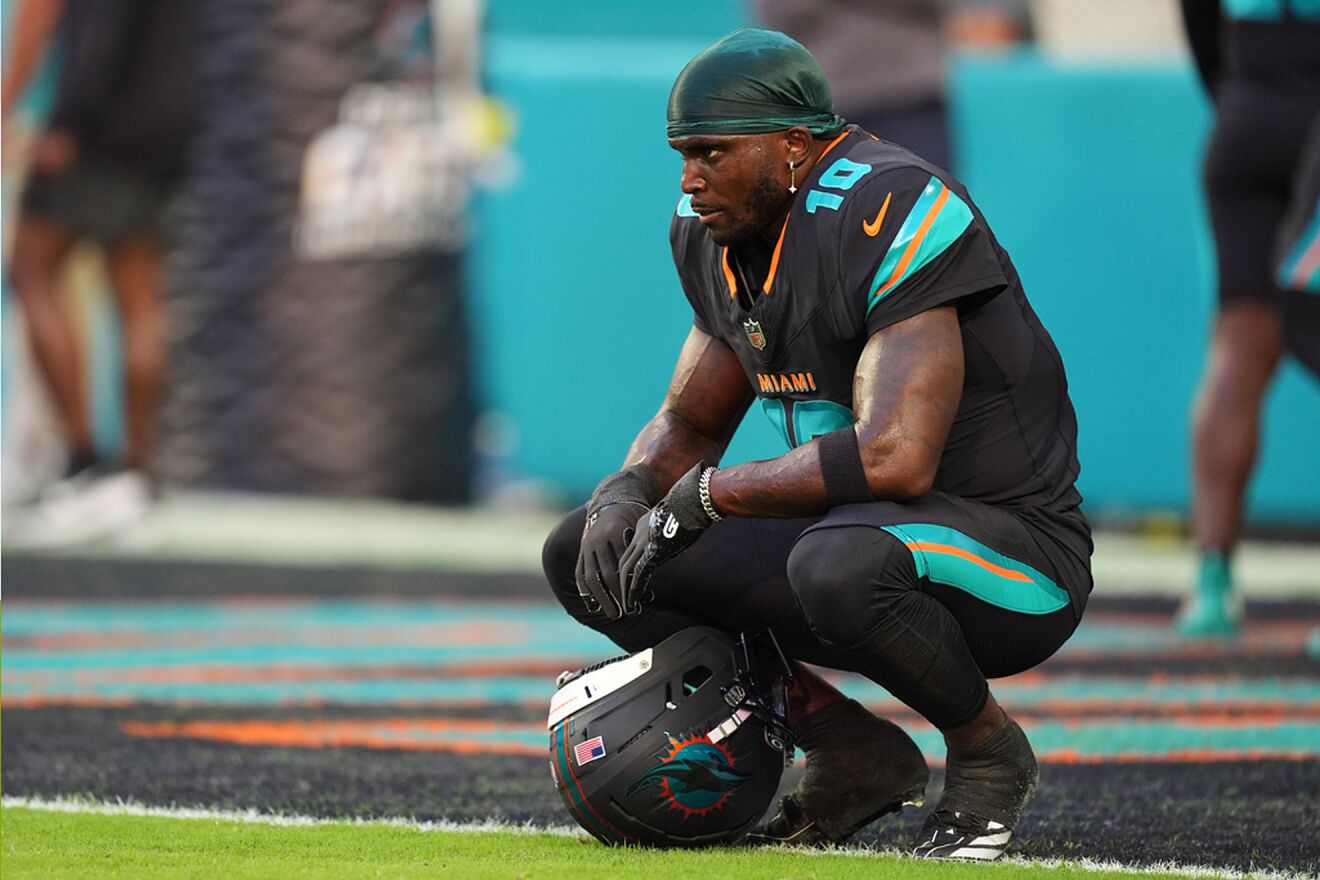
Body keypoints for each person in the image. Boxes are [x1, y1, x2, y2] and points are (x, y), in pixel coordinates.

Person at [542, 29, 1091, 860]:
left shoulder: (890, 206)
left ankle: (986, 752)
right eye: (683, 155)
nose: (691, 180)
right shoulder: (715, 230)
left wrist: (709, 494)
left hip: (1016, 554)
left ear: (794, 145)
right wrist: (628, 492)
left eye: (713, 154)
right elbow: (689, 424)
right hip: (851, 530)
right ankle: (849, 745)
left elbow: (894, 457)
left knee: (836, 564)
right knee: (592, 551)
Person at [2, 0, 196, 538]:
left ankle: (85, 465)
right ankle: (133, 479)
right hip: (169, 119)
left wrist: (67, 120)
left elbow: (82, 20)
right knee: (138, 293)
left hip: (101, 120)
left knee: (28, 265)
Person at [1174, 0, 1320, 638]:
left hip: (1247, 119)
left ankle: (1211, 584)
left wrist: (1242, 94)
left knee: (1236, 350)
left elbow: (1199, 26)